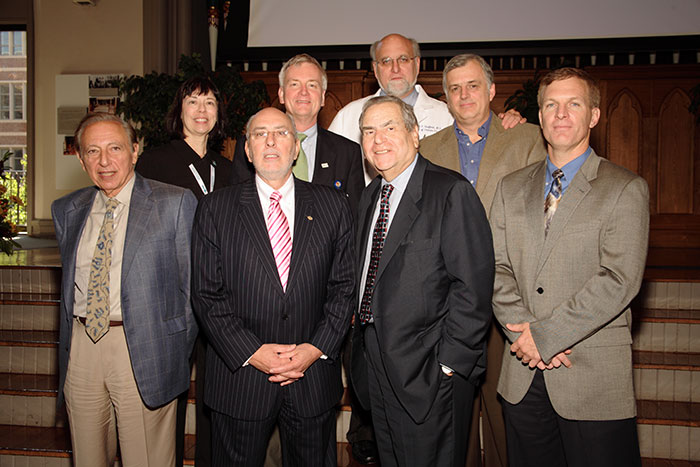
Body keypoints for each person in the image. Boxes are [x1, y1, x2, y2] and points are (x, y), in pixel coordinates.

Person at [490, 68, 648, 467]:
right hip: (522, 373)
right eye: (551, 105)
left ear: (593, 115)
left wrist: (545, 337)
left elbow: (618, 280)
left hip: (590, 374)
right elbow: (495, 266)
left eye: (572, 104)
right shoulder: (511, 187)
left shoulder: (625, 188)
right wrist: (523, 333)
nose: (560, 114)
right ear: (540, 116)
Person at [191, 107, 355, 466]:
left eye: (281, 133)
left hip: (312, 378)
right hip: (241, 380)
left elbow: (344, 289)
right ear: (247, 151)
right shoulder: (215, 209)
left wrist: (315, 348)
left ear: (296, 147)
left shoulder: (332, 206)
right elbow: (206, 294)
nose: (270, 141)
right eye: (259, 134)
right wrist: (253, 352)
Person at [350, 96, 494, 466]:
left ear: (415, 135)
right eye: (369, 131)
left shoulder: (450, 192)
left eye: (389, 127)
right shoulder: (370, 197)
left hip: (429, 374)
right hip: (377, 370)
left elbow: (473, 288)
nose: (378, 139)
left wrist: (449, 365)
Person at [51, 113, 198, 466]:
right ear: (81, 159)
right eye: (92, 151)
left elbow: (193, 291)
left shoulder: (174, 203)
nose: (104, 161)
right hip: (82, 349)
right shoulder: (67, 210)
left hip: (146, 350)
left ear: (135, 151)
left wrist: (172, 350)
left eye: (115, 148)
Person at [419, 54, 545, 467]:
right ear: (445, 97)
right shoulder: (426, 149)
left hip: (509, 292)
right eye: (454, 88)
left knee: (505, 405)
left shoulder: (527, 138)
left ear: (492, 91)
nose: (464, 95)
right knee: (453, 408)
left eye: (473, 85)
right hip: (447, 299)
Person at [135, 75, 233, 467]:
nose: (201, 111)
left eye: (209, 103)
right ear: (180, 111)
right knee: (171, 386)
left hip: (217, 292)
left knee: (214, 387)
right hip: (170, 291)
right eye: (193, 102)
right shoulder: (155, 162)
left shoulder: (229, 169)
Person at [329, 34, 523, 182]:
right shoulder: (348, 116)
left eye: (403, 59)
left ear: (417, 63)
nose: (395, 68)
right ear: (375, 68)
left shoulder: (448, 114)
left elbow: (483, 131)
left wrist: (507, 121)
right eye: (386, 61)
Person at [232, 54, 364, 218]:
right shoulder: (253, 145)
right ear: (281, 94)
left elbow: (355, 220)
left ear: (323, 97)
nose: (303, 92)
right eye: (294, 84)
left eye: (312, 85)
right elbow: (237, 211)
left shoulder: (347, 152)